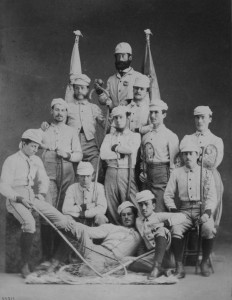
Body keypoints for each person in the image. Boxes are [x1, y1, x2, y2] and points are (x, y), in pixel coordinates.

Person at [0, 129, 72, 278]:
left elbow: (44, 179)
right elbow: (3, 186)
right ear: (24, 144)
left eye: (37, 147)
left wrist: (41, 194)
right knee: (30, 224)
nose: (35, 150)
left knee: (64, 221)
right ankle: (24, 265)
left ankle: (56, 260)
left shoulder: (36, 160)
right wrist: (19, 198)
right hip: (15, 198)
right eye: (32, 146)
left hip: (32, 196)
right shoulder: (11, 160)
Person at [164, 137, 217, 278]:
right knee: (175, 228)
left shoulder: (206, 173)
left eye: (191, 153)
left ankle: (204, 262)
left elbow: (212, 197)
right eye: (185, 153)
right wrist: (174, 212)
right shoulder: (176, 172)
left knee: (208, 228)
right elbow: (168, 195)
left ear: (198, 155)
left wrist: (207, 212)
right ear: (182, 156)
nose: (188, 156)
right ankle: (179, 266)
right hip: (184, 211)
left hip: (202, 210)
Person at [44, 201, 142, 275]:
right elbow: (89, 231)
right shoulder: (113, 227)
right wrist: (72, 224)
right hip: (96, 251)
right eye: (123, 215)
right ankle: (44, 208)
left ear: (135, 216)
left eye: (129, 214)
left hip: (114, 259)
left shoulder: (140, 235)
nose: (126, 217)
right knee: (76, 230)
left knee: (87, 273)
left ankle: (79, 267)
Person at [39, 98, 83, 261]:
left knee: (65, 211)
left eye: (63, 110)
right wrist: (41, 131)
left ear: (67, 113)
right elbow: (35, 144)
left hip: (67, 172)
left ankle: (61, 255)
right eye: (56, 110)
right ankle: (46, 256)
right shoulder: (45, 129)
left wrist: (67, 155)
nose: (59, 113)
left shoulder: (71, 132)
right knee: (47, 211)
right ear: (52, 111)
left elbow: (79, 155)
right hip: (49, 174)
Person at [42, 74, 107, 179]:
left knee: (96, 173)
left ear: (87, 89)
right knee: (74, 176)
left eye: (82, 88)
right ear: (73, 90)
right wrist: (47, 125)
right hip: (72, 145)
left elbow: (106, 126)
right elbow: (59, 121)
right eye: (77, 88)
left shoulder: (93, 108)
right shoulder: (68, 107)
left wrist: (111, 114)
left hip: (91, 145)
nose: (80, 90)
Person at [130, 190, 186, 279]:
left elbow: (182, 216)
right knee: (128, 262)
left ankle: (157, 267)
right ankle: (163, 270)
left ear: (153, 205)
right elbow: (142, 241)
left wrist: (164, 223)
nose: (143, 208)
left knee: (161, 230)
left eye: (146, 204)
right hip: (152, 256)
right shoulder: (138, 221)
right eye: (141, 205)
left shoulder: (159, 216)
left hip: (166, 254)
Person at [100, 106, 141, 224]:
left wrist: (114, 148)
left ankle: (136, 234)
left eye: (121, 117)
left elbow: (130, 150)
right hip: (111, 173)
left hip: (127, 172)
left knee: (132, 204)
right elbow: (103, 154)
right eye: (115, 118)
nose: (118, 120)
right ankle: (117, 233)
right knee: (112, 205)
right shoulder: (109, 137)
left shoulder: (135, 136)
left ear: (128, 117)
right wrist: (119, 154)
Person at [184, 105, 224, 226]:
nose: (199, 121)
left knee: (209, 210)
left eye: (203, 117)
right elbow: (182, 160)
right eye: (197, 117)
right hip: (190, 176)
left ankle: (208, 234)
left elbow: (213, 162)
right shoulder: (187, 138)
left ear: (210, 119)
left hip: (210, 176)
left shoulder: (216, 140)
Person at [140, 100, 179, 212]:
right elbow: (143, 158)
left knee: (160, 207)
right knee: (147, 205)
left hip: (162, 174)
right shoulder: (145, 136)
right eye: (151, 112)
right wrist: (143, 171)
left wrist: (171, 183)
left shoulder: (170, 136)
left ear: (164, 114)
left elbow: (174, 163)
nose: (152, 116)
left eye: (156, 112)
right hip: (148, 175)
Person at [95, 42, 145, 108]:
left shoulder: (138, 77)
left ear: (130, 57)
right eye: (118, 56)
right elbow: (105, 101)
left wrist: (128, 101)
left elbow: (144, 100)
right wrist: (100, 92)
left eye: (123, 56)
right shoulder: (111, 79)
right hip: (115, 117)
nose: (120, 59)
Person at [62, 161, 108, 226]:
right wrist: (83, 207)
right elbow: (65, 209)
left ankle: (100, 236)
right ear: (77, 176)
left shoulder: (99, 187)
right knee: (66, 218)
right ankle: (71, 236)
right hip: (77, 219)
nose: (85, 179)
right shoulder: (72, 188)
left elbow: (102, 209)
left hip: (92, 218)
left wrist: (83, 214)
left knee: (101, 217)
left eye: (88, 176)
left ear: (93, 176)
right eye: (82, 176)